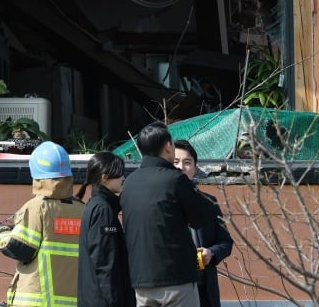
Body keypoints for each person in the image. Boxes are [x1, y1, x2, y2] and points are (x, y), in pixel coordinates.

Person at [120, 122, 215, 307]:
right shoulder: (175, 179)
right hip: (176, 279)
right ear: (168, 147)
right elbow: (200, 219)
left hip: (141, 281)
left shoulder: (129, 184)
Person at [0, 141, 85, 307]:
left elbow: (21, 249)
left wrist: (2, 233)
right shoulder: (81, 209)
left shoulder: (37, 207)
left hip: (38, 299)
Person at [173, 140, 233, 307]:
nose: (181, 167)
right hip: (172, 289)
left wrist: (211, 253)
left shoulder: (208, 202)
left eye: (187, 162)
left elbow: (226, 242)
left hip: (203, 287)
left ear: (195, 167)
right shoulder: (160, 202)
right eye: (175, 162)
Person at [76, 151, 135, 307]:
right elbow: (105, 263)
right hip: (104, 301)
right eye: (119, 174)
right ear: (104, 178)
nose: (123, 178)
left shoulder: (95, 205)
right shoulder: (103, 209)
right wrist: (114, 301)